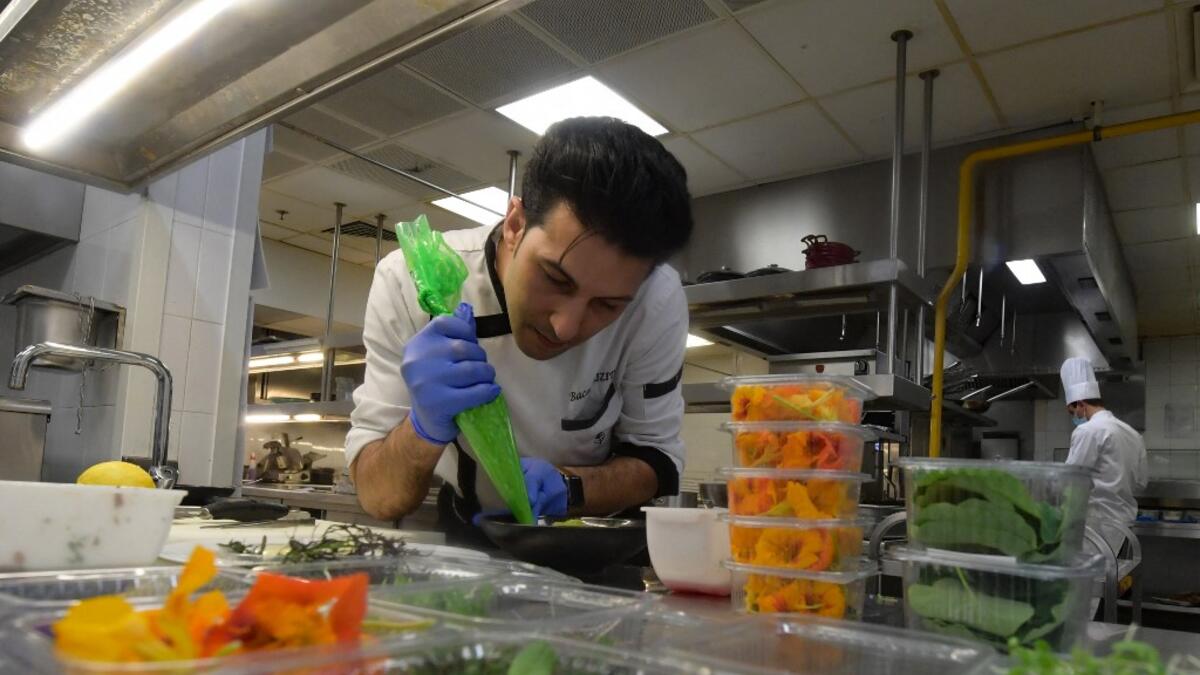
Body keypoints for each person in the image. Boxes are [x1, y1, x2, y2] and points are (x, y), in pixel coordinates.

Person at [344, 117, 694, 538]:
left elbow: (656, 458)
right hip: (471, 536)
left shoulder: (656, 300)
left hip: (595, 536)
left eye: (607, 305)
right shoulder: (412, 282)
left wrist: (571, 487)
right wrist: (422, 428)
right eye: (555, 279)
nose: (565, 328)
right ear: (514, 225)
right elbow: (379, 497)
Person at [1059, 357, 1148, 557]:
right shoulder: (1133, 434)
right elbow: (1141, 483)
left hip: (1095, 528)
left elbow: (1071, 480)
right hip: (1124, 527)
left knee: (1093, 585)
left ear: (1081, 404)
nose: (1073, 417)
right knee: (1116, 581)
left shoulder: (1088, 431)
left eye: (1072, 411)